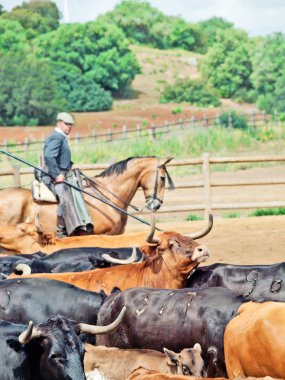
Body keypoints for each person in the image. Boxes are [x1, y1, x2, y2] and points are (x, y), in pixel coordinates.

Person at [42, 112, 93, 237]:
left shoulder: (61, 137)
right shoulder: (57, 137)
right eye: (66, 124)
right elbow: (49, 156)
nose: (69, 127)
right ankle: (60, 230)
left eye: (70, 125)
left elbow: (60, 157)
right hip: (52, 177)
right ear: (59, 123)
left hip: (63, 173)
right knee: (65, 199)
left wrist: (70, 165)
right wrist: (57, 174)